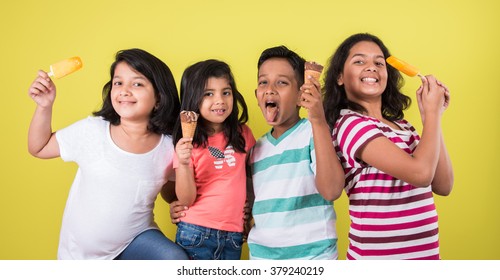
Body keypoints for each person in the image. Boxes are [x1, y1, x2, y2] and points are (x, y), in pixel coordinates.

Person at [27, 48, 188, 260]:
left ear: (159, 98)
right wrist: (44, 106)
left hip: (134, 240)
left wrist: (177, 204)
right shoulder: (92, 131)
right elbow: (39, 147)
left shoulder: (169, 147)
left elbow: (172, 190)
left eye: (137, 83)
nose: (124, 90)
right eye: (118, 83)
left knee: (174, 259)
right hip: (79, 255)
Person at [323, 33, 454, 260]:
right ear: (340, 77)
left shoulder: (403, 127)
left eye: (379, 63)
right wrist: (432, 114)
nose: (371, 67)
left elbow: (443, 185)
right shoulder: (350, 124)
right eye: (359, 61)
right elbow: (421, 173)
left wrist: (432, 117)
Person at [246, 46, 345, 260]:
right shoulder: (254, 151)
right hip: (262, 259)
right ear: (257, 95)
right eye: (263, 82)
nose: (270, 89)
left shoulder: (313, 133)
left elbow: (332, 190)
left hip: (314, 258)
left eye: (282, 82)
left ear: (302, 93)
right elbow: (247, 205)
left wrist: (318, 121)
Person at [165, 59, 256, 260]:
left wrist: (250, 209)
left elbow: (251, 176)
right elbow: (186, 199)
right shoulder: (187, 143)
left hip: (234, 235)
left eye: (226, 92)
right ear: (193, 99)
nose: (220, 100)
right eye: (208, 94)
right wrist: (184, 163)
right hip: (196, 231)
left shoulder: (243, 135)